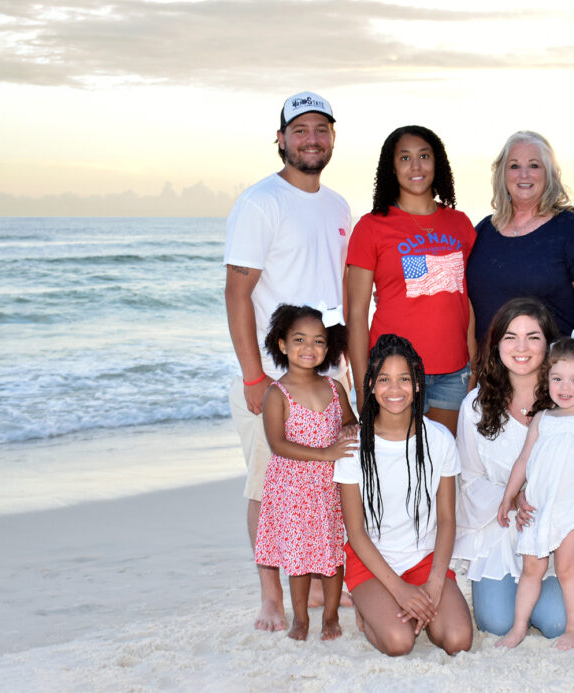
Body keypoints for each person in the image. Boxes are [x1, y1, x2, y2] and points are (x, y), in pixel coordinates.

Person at [224, 91, 351, 631]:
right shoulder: (261, 202)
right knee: (269, 484)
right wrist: (256, 376)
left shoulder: (340, 205)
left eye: (321, 129)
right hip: (274, 376)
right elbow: (236, 292)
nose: (311, 139)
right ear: (280, 139)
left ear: (332, 138)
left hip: (330, 370)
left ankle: (327, 586)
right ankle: (272, 596)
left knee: (328, 483)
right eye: (300, 130)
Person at [452, 298, 574, 640]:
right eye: (510, 337)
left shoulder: (570, 399)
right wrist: (514, 500)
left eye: (533, 337)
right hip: (505, 527)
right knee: (496, 623)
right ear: (496, 346)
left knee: (554, 622)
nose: (521, 347)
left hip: (561, 526)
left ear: (549, 345)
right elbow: (470, 480)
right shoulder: (476, 406)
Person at [335, 334, 473, 656]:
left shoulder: (439, 439)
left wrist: (436, 582)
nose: (394, 389)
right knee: (400, 643)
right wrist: (399, 591)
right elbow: (354, 532)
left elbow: (447, 519)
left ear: (419, 384)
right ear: (369, 384)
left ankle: (387, 606)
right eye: (384, 379)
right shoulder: (353, 447)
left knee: (458, 640)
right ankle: (367, 605)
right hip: (372, 561)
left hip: (422, 558)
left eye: (404, 379)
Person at [347, 125, 476, 436]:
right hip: (393, 374)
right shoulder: (371, 227)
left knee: (442, 465)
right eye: (404, 158)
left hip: (453, 373)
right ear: (392, 168)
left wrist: (474, 364)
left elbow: (464, 297)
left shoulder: (460, 224)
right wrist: (365, 385)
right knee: (398, 467)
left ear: (438, 163)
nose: (415, 166)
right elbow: (356, 313)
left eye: (424, 156)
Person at [494, 336, 574, 651]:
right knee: (531, 569)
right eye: (557, 378)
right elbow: (523, 460)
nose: (565, 387)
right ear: (546, 380)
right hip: (538, 507)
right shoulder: (542, 419)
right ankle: (519, 627)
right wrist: (509, 496)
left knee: (566, 569)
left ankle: (573, 628)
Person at [254, 304, 358, 641]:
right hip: (292, 489)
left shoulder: (333, 387)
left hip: (329, 488)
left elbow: (348, 421)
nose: (309, 348)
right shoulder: (277, 393)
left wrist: (348, 430)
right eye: (299, 340)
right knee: (298, 559)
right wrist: (324, 453)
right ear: (282, 344)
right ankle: (300, 619)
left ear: (328, 348)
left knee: (331, 553)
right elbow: (278, 444)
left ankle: (330, 617)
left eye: (318, 341)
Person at [466, 131, 574, 342]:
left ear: (549, 173)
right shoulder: (482, 232)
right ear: (501, 174)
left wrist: (569, 363)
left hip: (551, 369)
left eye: (534, 165)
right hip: (490, 371)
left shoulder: (572, 231)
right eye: (514, 166)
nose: (524, 175)